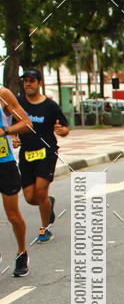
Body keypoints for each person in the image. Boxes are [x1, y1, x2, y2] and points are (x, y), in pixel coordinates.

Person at [18, 68, 69, 244]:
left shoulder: (50, 106)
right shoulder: (18, 103)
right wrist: (13, 137)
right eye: (26, 80)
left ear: (40, 83)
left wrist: (62, 130)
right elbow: (10, 124)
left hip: (47, 152)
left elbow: (65, 128)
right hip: (26, 154)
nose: (28, 84)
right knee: (30, 198)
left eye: (32, 80)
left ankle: (45, 229)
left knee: (40, 192)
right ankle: (49, 203)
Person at [0, 86, 33, 276]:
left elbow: (27, 124)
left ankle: (22, 252)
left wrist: (6, 130)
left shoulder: (3, 95)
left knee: (13, 216)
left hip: (5, 164)